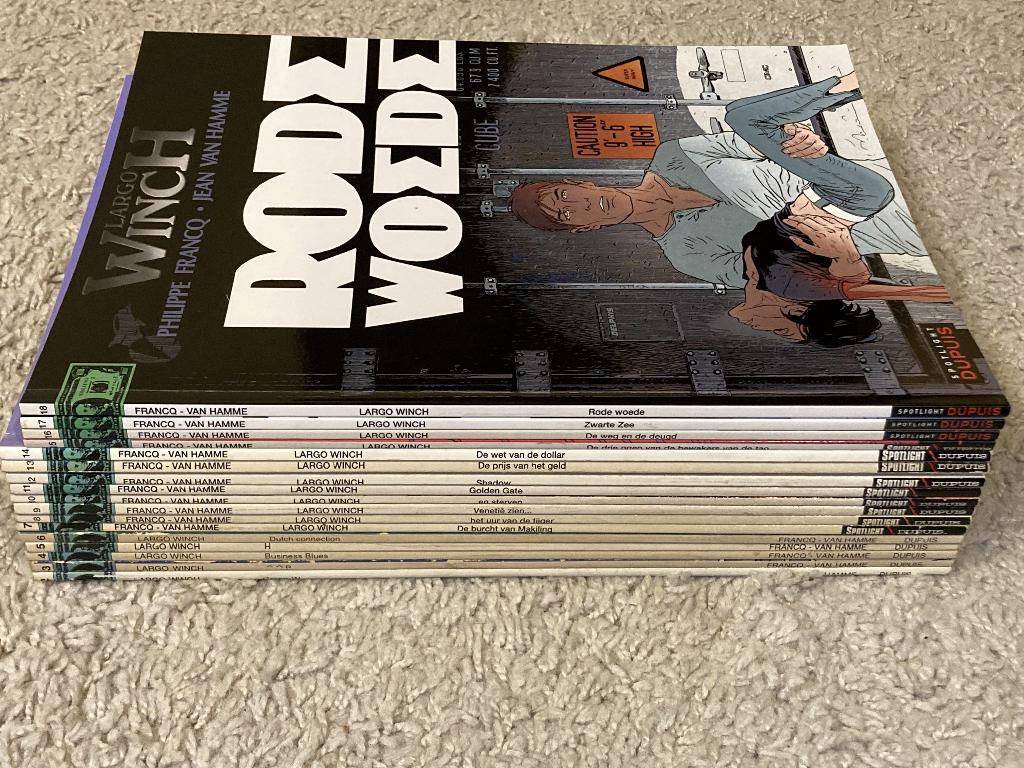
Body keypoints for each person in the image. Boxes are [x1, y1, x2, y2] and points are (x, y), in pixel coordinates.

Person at [509, 73, 927, 290]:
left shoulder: (674, 155)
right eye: (565, 215)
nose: (577, 205)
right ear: (585, 228)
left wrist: (798, 137)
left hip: (868, 174)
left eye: (564, 195)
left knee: (742, 117)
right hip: (876, 225)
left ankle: (850, 83)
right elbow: (778, 276)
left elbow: (758, 141)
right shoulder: (686, 254)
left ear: (580, 184)